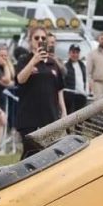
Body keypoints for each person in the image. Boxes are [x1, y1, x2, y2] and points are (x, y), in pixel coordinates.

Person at [15, 26, 65, 159]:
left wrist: (64, 112)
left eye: (43, 38)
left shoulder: (52, 63)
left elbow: (59, 89)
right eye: (36, 38)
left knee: (50, 154)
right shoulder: (24, 59)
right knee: (30, 154)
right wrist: (34, 61)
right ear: (30, 40)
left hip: (49, 114)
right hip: (29, 115)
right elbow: (20, 79)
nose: (40, 40)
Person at [62, 44, 89, 114]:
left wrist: (86, 93)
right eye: (73, 52)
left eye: (77, 53)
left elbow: (85, 80)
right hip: (70, 96)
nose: (75, 55)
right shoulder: (65, 66)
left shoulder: (82, 65)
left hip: (81, 96)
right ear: (69, 53)